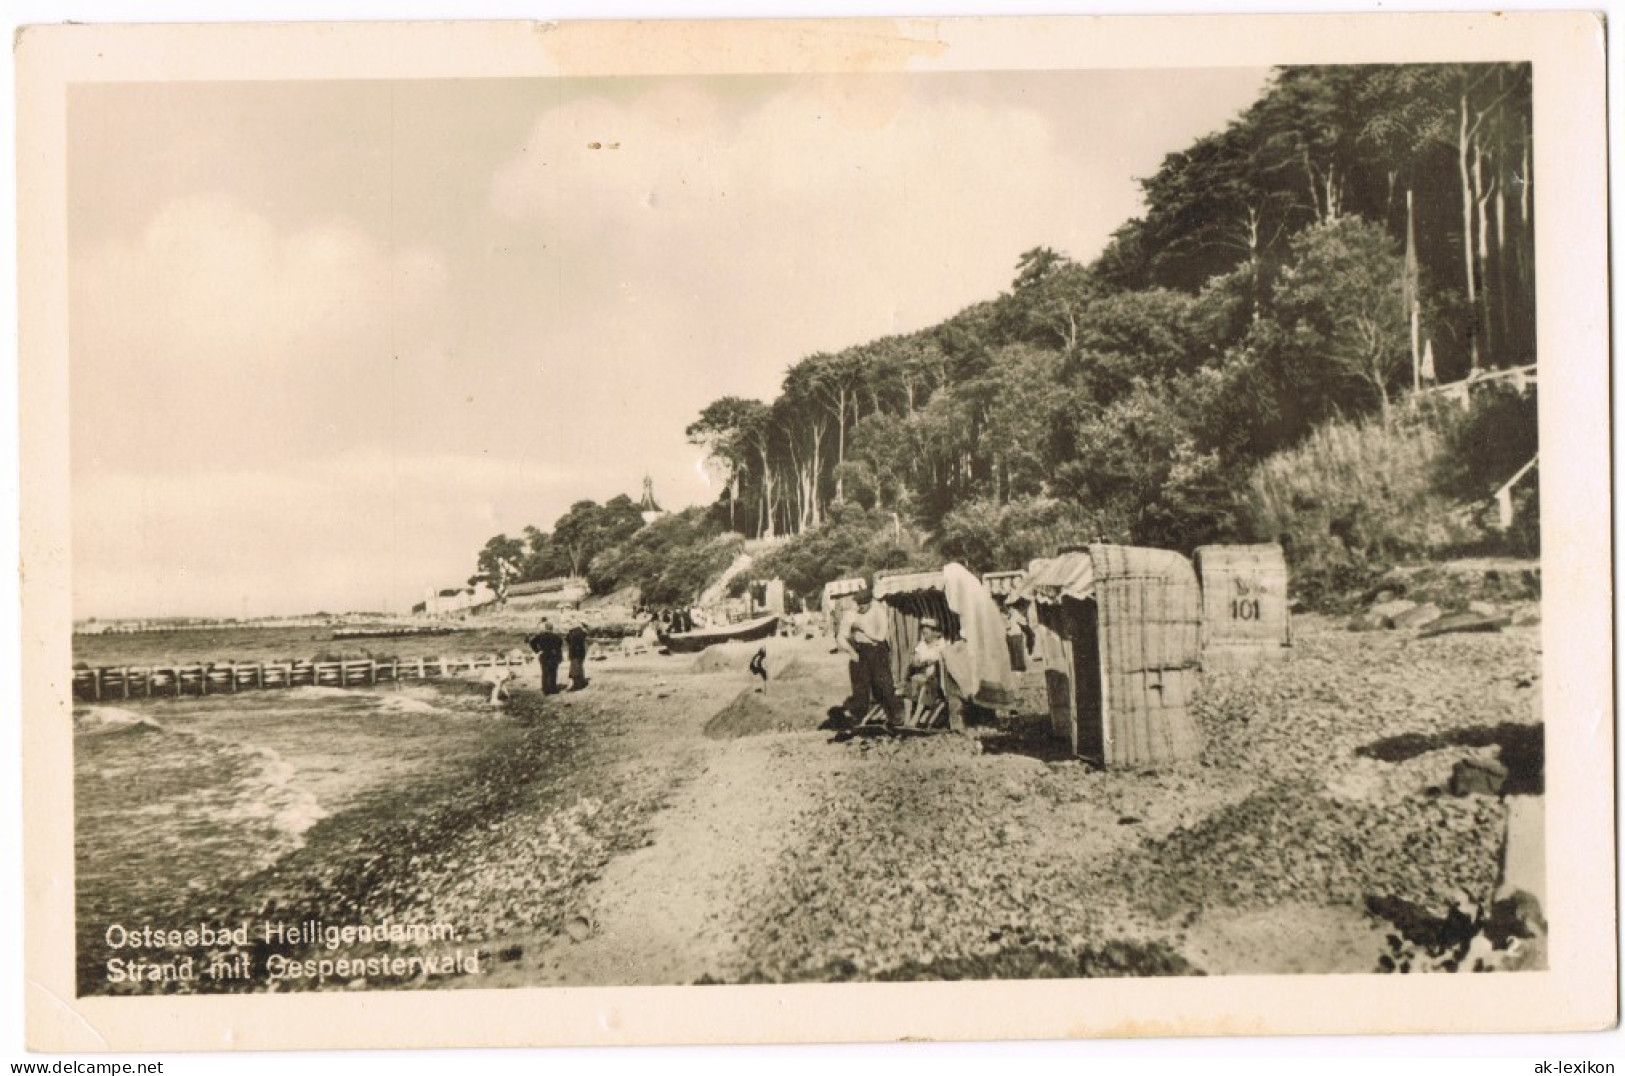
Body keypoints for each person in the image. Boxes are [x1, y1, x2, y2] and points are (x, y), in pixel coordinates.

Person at [838, 587, 901, 726]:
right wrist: (850, 651)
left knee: (883, 684)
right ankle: (859, 717)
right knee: (860, 685)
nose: (860, 607)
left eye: (864, 604)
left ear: (871, 602)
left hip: (877, 650)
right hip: (860, 651)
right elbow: (841, 636)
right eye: (858, 603)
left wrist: (864, 629)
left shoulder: (879, 612)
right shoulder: (851, 614)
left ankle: (894, 716)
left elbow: (880, 636)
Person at [903, 616, 947, 724]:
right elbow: (916, 659)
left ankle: (916, 718)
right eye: (924, 628)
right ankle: (907, 717)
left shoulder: (942, 645)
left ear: (936, 632)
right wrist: (917, 662)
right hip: (922, 674)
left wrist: (929, 663)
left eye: (928, 628)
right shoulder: (922, 645)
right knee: (911, 682)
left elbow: (942, 663)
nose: (924, 630)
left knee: (927, 684)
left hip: (937, 678)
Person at [527, 620, 564, 694]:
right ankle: (553, 689)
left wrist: (537, 651)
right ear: (552, 628)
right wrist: (559, 656)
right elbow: (559, 645)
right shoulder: (556, 637)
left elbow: (532, 642)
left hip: (543, 655)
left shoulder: (540, 636)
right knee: (553, 672)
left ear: (545, 628)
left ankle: (545, 689)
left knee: (544, 672)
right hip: (553, 655)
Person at [565, 620, 590, 691]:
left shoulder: (572, 632)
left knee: (574, 668)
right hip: (580, 652)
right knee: (579, 667)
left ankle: (576, 684)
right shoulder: (581, 632)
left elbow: (567, 639)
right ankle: (580, 683)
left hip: (573, 652)